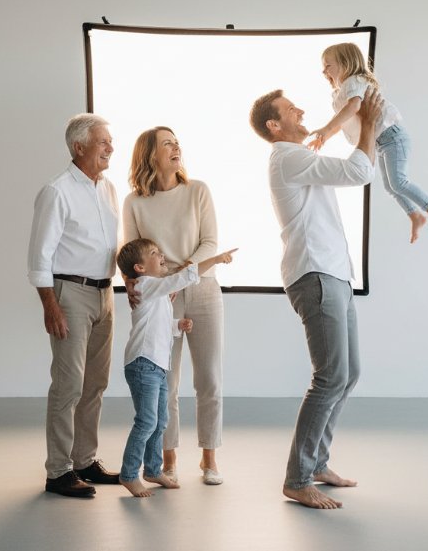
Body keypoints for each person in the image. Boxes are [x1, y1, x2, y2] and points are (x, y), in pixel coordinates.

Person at [248, 86, 384, 509]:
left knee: (348, 373)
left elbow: (346, 152)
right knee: (329, 376)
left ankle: (317, 462)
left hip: (335, 274)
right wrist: (370, 126)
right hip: (316, 276)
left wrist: (350, 117)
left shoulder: (299, 153)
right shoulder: (288, 156)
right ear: (275, 125)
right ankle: (297, 477)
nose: (301, 110)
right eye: (291, 109)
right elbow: (358, 172)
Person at [123, 127, 226, 485]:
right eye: (167, 143)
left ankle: (209, 458)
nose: (176, 146)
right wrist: (148, 288)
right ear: (150, 154)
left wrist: (177, 277)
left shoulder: (197, 191)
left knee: (209, 377)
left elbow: (210, 243)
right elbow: (130, 255)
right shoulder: (134, 202)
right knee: (166, 381)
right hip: (162, 300)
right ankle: (167, 460)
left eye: (177, 141)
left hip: (202, 289)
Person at [27, 113, 122, 498]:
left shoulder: (108, 189)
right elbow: (39, 258)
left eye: (110, 141)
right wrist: (51, 306)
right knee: (68, 385)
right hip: (71, 294)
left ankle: (85, 460)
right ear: (79, 147)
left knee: (96, 384)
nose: (110, 148)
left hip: (105, 293)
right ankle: (59, 471)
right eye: (103, 142)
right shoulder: (57, 191)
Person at [115, 239, 237, 497]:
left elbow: (155, 324)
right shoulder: (146, 285)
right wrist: (214, 259)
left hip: (157, 366)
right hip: (142, 365)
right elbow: (183, 277)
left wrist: (176, 326)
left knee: (160, 421)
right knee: (147, 421)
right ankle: (128, 474)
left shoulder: (155, 291)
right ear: (139, 267)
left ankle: (153, 469)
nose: (162, 255)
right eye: (154, 253)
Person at [308, 42, 428, 244]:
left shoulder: (354, 82)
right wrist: (325, 136)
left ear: (345, 64)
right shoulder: (338, 94)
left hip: (392, 136)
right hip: (380, 142)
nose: (323, 71)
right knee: (391, 187)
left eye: (328, 65)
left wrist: (326, 128)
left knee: (399, 182)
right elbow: (343, 121)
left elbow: (353, 107)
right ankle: (415, 215)